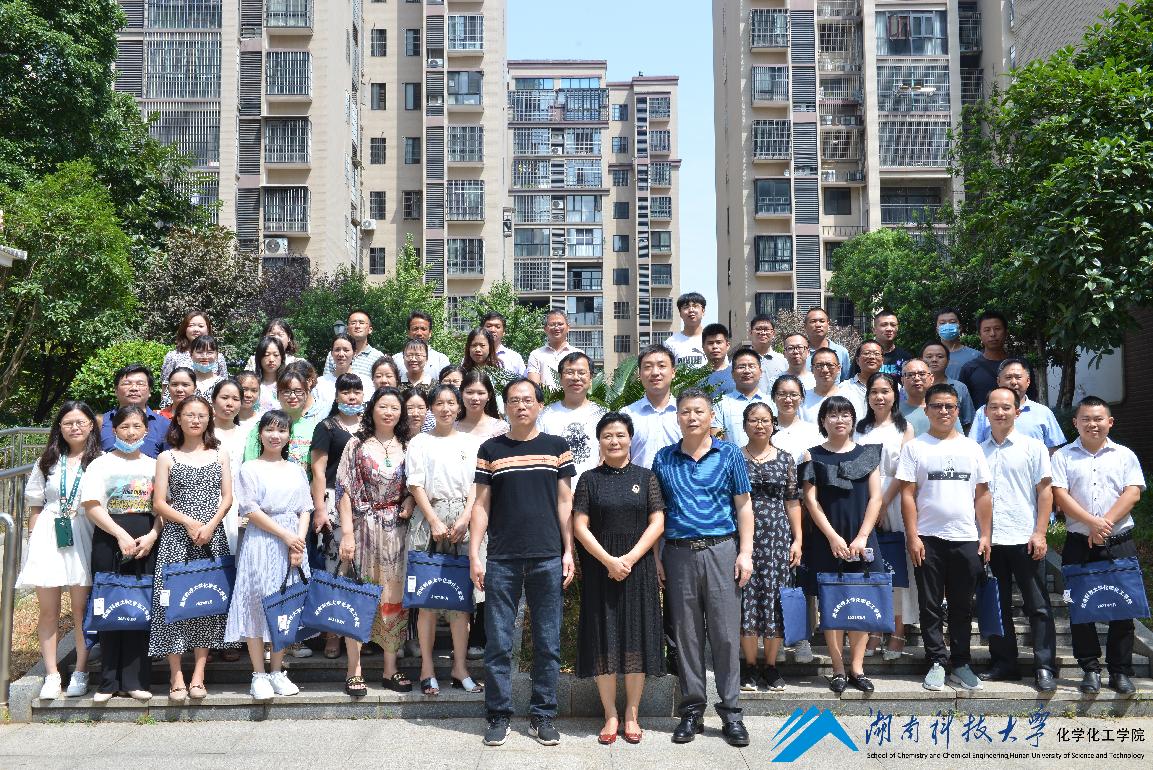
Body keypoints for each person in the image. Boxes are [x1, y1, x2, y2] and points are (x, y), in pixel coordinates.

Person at [470, 378, 576, 747]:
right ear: (505, 406)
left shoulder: (557, 447)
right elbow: (481, 505)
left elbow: (565, 502)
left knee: (547, 642)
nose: (521, 406)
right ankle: (498, 715)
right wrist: (474, 554)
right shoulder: (491, 449)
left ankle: (543, 715)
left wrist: (568, 550)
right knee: (499, 643)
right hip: (502, 559)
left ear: (540, 405)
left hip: (547, 556)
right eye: (514, 400)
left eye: (528, 400)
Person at [653, 388, 753, 747]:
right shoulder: (664, 458)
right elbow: (657, 513)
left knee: (725, 635)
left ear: (712, 417)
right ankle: (692, 711)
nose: (692, 417)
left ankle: (731, 713)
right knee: (687, 636)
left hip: (721, 549)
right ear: (677, 417)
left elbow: (743, 505)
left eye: (698, 411)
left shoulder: (729, 454)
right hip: (678, 554)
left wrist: (746, 552)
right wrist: (657, 557)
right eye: (685, 411)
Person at [573, 412, 666, 745]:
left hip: (638, 568)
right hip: (601, 568)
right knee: (604, 639)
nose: (614, 441)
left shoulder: (646, 477)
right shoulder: (588, 479)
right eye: (607, 436)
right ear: (599, 441)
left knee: (636, 637)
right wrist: (609, 561)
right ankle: (610, 714)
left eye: (620, 435)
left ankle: (632, 714)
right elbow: (579, 525)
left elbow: (657, 522)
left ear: (630, 439)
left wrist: (629, 558)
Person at [897, 383, 992, 692]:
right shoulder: (915, 447)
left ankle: (961, 663)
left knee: (963, 605)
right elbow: (907, 495)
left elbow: (982, 495)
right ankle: (936, 661)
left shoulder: (972, 448)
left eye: (949, 406)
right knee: (930, 605)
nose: (943, 411)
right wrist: (912, 536)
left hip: (965, 538)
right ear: (926, 410)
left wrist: (985, 535)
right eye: (937, 406)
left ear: (957, 410)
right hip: (928, 538)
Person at [1052, 396, 1145, 696]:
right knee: (1080, 608)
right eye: (1086, 419)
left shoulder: (1124, 455)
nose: (1092, 424)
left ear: (1110, 422)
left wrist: (1104, 524)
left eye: (1098, 419)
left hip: (1119, 541)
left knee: (1123, 608)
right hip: (1078, 543)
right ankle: (1090, 669)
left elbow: (1133, 493)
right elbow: (1060, 494)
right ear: (1075, 422)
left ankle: (1120, 671)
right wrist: (1092, 523)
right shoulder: (1063, 456)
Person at [149, 396, 235, 701]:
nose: (195, 420)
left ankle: (199, 674)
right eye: (189, 415)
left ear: (209, 419)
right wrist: (188, 522)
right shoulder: (167, 457)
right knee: (172, 603)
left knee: (206, 601)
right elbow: (159, 503)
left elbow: (227, 497)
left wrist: (210, 525)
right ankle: (176, 675)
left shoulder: (219, 453)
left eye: (201, 415)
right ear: (178, 419)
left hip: (212, 536)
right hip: (176, 537)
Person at [223, 410, 310, 701]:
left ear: (288, 435)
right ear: (260, 434)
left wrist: (298, 542)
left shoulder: (296, 469)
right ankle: (258, 674)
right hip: (261, 539)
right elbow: (250, 509)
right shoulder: (250, 468)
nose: (276, 436)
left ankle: (277, 671)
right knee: (255, 602)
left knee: (285, 605)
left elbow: (305, 508)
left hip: (293, 540)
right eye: (270, 430)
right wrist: (286, 536)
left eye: (282, 430)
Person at [18, 402, 101, 700]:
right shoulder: (47, 461)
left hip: (84, 532)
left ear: (91, 425)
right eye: (68, 423)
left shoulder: (100, 461)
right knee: (49, 610)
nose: (74, 427)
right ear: (60, 427)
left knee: (81, 609)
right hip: (49, 534)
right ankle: (52, 674)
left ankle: (80, 670)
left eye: (80, 422)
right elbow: (35, 504)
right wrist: (33, 539)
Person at [801, 396, 883, 694]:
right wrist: (833, 537)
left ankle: (857, 668)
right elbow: (810, 500)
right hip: (827, 539)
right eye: (833, 415)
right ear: (823, 421)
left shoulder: (868, 454)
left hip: (863, 537)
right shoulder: (811, 455)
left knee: (862, 603)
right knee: (831, 604)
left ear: (853, 419)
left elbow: (876, 498)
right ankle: (837, 668)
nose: (840, 420)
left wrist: (862, 537)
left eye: (845, 414)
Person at [405, 384, 483, 696]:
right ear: (431, 408)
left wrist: (465, 518)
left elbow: (477, 483)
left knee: (461, 601)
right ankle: (427, 668)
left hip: (464, 519)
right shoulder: (420, 442)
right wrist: (434, 520)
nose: (446, 408)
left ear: (459, 406)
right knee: (427, 600)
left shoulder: (470, 442)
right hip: (429, 519)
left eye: (451, 402)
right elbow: (415, 484)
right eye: (439, 403)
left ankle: (459, 667)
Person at [977, 387, 1057, 691]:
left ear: (1017, 412)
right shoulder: (977, 451)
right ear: (986, 412)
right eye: (994, 407)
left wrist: (1040, 532)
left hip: (1025, 537)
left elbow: (1045, 492)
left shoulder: (1034, 448)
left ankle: (1044, 666)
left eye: (1006, 407)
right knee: (997, 605)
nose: (1000, 412)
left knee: (1038, 606)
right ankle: (1004, 663)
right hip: (990, 541)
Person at [337, 387, 415, 693]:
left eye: (395, 407)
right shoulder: (356, 444)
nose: (389, 412)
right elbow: (344, 490)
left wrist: (409, 500)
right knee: (359, 596)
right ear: (372, 409)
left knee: (393, 598)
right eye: (383, 406)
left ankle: (390, 669)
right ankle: (353, 670)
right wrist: (346, 533)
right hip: (363, 529)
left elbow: (417, 485)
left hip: (397, 532)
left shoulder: (408, 445)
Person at [81, 405, 161, 702]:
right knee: (110, 606)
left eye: (137, 426)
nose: (131, 432)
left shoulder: (155, 465)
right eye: (125, 427)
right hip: (109, 540)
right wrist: (119, 534)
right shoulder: (100, 464)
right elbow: (92, 506)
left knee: (140, 607)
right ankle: (108, 682)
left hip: (145, 542)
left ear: (146, 431)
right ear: (114, 431)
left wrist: (152, 536)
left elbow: (162, 508)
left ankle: (136, 680)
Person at [738, 402, 801, 693]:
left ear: (773, 424)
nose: (760, 425)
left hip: (777, 538)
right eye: (754, 420)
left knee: (776, 600)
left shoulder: (786, 458)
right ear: (745, 424)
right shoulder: (735, 457)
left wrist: (797, 539)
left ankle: (772, 666)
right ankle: (751, 666)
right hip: (744, 538)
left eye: (765, 420)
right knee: (748, 599)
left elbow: (792, 500)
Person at [853, 373, 916, 660]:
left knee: (897, 567)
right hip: (865, 501)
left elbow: (904, 472)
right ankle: (875, 628)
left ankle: (898, 630)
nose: (880, 397)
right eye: (874, 392)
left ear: (895, 395)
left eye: (885, 391)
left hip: (894, 500)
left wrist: (882, 503)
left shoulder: (905, 428)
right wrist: (871, 505)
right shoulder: (859, 428)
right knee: (871, 568)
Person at [309, 373, 365, 659]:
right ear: (337, 395)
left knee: (361, 568)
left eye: (356, 391)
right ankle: (333, 634)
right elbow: (318, 470)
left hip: (366, 502)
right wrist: (319, 508)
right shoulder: (326, 426)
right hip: (333, 499)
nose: (351, 397)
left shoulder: (370, 425)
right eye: (346, 391)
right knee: (335, 566)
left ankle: (359, 630)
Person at [455, 369, 508, 660]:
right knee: (460, 571)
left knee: (486, 570)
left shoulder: (501, 428)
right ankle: (460, 634)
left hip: (491, 505)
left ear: (489, 396)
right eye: (469, 392)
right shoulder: (451, 424)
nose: (475, 398)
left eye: (480, 392)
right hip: (453, 506)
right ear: (461, 394)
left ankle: (480, 635)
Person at [968, 359, 1065, 449]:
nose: (1013, 382)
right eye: (1008, 377)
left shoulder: (1043, 412)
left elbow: (1053, 449)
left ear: (1028, 381)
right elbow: (974, 447)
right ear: (998, 381)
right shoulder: (984, 412)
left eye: (1018, 377)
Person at [538, 352, 606, 480]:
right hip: (555, 488)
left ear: (591, 378)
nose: (575, 378)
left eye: (581, 373)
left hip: (593, 487)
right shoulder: (545, 415)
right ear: (560, 378)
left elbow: (607, 455)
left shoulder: (602, 415)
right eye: (569, 372)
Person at [243, 369, 321, 472]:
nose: (292, 396)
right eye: (286, 391)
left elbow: (318, 471)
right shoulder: (263, 425)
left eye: (298, 391)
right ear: (277, 395)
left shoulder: (315, 429)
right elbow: (250, 465)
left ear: (306, 394)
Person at [958, 311, 1038, 408]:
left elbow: (1031, 398)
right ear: (979, 335)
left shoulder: (1021, 365)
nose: (992, 334)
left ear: (1006, 332)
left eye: (997, 329)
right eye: (987, 330)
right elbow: (964, 405)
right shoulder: (969, 369)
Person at [623, 345, 680, 469]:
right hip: (638, 481)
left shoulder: (686, 414)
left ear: (673, 372)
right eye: (648, 367)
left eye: (661, 366)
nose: (655, 372)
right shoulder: (627, 415)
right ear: (640, 374)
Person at [98, 365, 170, 458]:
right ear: (116, 390)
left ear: (150, 391)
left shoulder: (165, 425)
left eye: (140, 384)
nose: (134, 388)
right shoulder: (100, 422)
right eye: (127, 383)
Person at [160, 311, 228, 407]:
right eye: (191, 325)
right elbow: (166, 386)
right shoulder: (173, 356)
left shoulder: (219, 357)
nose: (196, 329)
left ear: (208, 329)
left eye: (201, 326)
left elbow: (225, 385)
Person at [211, 379, 246, 555]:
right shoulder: (203, 432)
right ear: (213, 400)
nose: (229, 403)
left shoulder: (248, 434)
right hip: (209, 499)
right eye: (224, 397)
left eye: (235, 399)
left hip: (238, 500)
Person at [713, 347, 770, 448]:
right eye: (741, 367)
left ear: (760, 372)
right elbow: (716, 442)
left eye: (751, 366)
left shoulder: (772, 402)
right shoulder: (720, 403)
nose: (747, 371)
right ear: (732, 373)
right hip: (732, 458)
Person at [921, 341, 976, 429]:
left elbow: (968, 422)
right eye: (929, 357)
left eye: (940, 356)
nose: (934, 360)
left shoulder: (960, 388)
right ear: (921, 360)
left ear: (948, 361)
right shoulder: (912, 388)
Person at [770, 375, 822, 466]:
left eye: (794, 395)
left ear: (802, 398)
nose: (788, 399)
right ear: (773, 397)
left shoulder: (814, 431)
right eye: (782, 394)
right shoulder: (765, 430)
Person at [527, 310, 582, 389]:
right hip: (545, 396)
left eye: (560, 324)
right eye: (552, 325)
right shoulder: (536, 354)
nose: (556, 328)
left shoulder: (579, 354)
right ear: (545, 329)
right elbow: (534, 387)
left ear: (568, 328)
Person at [323, 310, 384, 381]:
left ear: (370, 329)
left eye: (361, 323)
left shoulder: (378, 357)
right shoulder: (334, 355)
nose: (357, 326)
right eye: (353, 323)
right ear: (347, 329)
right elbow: (326, 381)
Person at [391, 311, 451, 379]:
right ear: (408, 332)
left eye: (423, 329)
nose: (419, 333)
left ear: (430, 333)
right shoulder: (396, 360)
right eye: (415, 329)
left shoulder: (441, 360)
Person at [852, 310, 912, 377]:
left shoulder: (905, 357)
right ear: (874, 330)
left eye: (893, 325)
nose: (889, 329)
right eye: (884, 325)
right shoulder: (864, 356)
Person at [318, 334, 369, 409]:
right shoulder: (320, 383)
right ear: (331, 353)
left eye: (346, 350)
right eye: (337, 350)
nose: (341, 354)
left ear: (354, 353)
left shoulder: (365, 382)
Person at [839, 340, 885, 418]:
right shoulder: (844, 388)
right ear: (857, 360)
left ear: (882, 360)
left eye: (876, 354)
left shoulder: (893, 386)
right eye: (866, 353)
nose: (872, 357)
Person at [803, 307, 850, 380]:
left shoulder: (841, 352)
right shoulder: (800, 353)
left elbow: (846, 382)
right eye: (813, 321)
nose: (818, 325)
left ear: (828, 325)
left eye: (822, 321)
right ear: (805, 326)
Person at [934, 308, 980, 379]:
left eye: (952, 322)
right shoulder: (928, 356)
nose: (947, 326)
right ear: (937, 329)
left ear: (960, 327)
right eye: (942, 323)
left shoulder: (975, 356)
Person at [748, 314, 789, 392]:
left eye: (766, 329)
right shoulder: (741, 360)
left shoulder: (783, 361)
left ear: (773, 333)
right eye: (758, 329)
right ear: (750, 332)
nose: (763, 332)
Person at [665, 292, 707, 367]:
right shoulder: (670, 343)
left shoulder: (713, 341)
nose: (691, 310)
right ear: (680, 313)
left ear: (703, 311)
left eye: (695, 306)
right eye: (686, 307)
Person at [800, 347, 842, 422]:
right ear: (812, 369)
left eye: (830, 365)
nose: (825, 370)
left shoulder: (849, 396)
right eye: (819, 365)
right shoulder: (802, 400)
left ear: (838, 369)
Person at [483, 311, 527, 377]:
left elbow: (523, 381)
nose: (492, 330)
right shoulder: (473, 356)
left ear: (504, 332)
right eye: (489, 326)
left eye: (497, 327)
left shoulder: (515, 357)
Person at [898, 359, 932, 436]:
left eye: (922, 374)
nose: (916, 378)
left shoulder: (944, 409)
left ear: (931, 378)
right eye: (910, 375)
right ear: (902, 380)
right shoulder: (893, 411)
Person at [253, 335, 286, 412]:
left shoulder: (288, 384)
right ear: (259, 358)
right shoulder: (252, 385)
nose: (271, 359)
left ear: (282, 357)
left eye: (276, 355)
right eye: (266, 355)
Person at [701, 323, 735, 393]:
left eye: (719, 342)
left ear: (727, 345)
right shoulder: (695, 377)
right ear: (703, 347)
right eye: (710, 343)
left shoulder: (738, 375)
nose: (715, 347)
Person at [188, 335, 224, 401]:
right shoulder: (183, 382)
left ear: (216, 355)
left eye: (210, 352)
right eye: (199, 352)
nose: (205, 357)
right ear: (191, 354)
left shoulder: (223, 384)